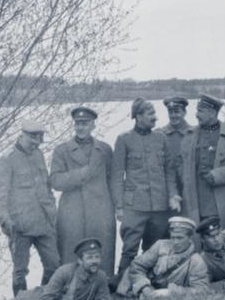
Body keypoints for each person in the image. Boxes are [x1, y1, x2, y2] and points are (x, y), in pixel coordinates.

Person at [111, 98, 178, 286]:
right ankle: (122, 287)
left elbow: (169, 171)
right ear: (138, 116)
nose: (155, 118)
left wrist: (172, 195)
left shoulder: (161, 139)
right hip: (134, 207)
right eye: (151, 115)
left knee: (154, 248)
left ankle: (150, 284)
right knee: (129, 249)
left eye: (155, 114)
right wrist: (119, 206)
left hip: (159, 206)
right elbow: (117, 176)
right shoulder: (124, 140)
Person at [0, 120, 61, 296]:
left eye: (39, 139)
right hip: (20, 225)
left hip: (43, 223)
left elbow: (46, 188)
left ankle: (43, 298)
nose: (36, 143)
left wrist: (52, 210)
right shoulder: (7, 160)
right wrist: (6, 222)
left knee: (54, 264)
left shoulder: (38, 155)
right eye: (32, 139)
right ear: (22, 135)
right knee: (20, 270)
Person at [50, 107, 116, 279]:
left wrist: (117, 207)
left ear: (93, 125)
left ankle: (104, 286)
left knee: (102, 249)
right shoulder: (62, 150)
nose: (80, 127)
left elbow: (112, 181)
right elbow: (55, 181)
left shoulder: (105, 150)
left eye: (85, 124)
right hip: (72, 211)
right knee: (70, 250)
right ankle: (69, 287)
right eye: (78, 124)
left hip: (100, 210)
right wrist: (82, 173)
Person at [172, 94, 225, 228]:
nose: (196, 115)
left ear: (212, 113)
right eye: (197, 110)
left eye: (200, 111)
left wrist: (216, 175)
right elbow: (180, 163)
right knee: (198, 237)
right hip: (196, 199)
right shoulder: (189, 135)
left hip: (223, 200)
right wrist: (186, 181)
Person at [123, 216, 210, 298]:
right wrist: (144, 287)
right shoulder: (161, 245)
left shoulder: (196, 261)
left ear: (190, 237)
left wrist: (170, 292)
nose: (175, 242)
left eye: (180, 238)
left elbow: (201, 290)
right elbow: (137, 266)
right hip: (148, 286)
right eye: (173, 237)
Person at [157, 97, 194, 217]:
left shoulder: (194, 134)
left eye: (177, 111)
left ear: (184, 112)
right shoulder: (159, 134)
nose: (173, 115)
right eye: (170, 112)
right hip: (165, 189)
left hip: (189, 187)